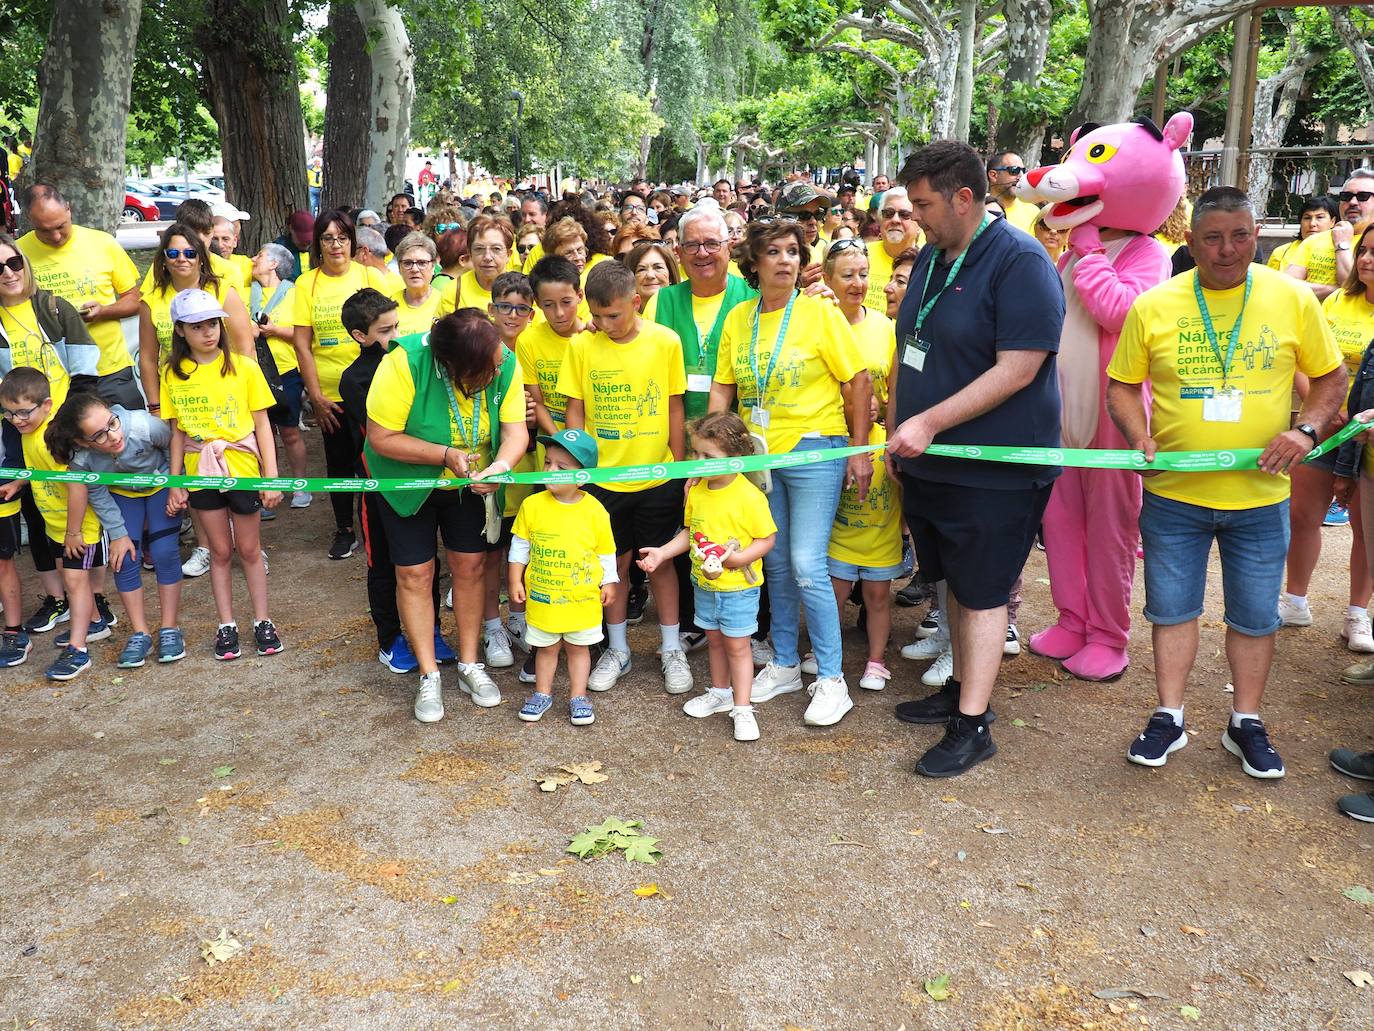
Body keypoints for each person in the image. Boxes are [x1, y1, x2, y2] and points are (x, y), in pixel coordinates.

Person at [1106, 186, 1346, 779]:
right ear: (1191, 241)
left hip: (1261, 496)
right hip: (1173, 494)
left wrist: (1308, 431)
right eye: (1212, 237)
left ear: (1256, 234)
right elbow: (1120, 387)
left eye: (1240, 235)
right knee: (1171, 610)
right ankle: (1169, 716)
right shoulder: (1154, 305)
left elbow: (1331, 378)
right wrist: (1140, 437)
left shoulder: (1291, 299)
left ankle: (1247, 722)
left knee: (1255, 616)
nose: (1228, 249)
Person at [886, 140, 1064, 778]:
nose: (915, 218)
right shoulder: (934, 257)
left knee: (984, 591)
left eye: (925, 204)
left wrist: (927, 422)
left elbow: (1020, 368)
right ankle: (960, 688)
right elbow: (912, 348)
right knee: (952, 584)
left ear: (966, 197)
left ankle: (974, 724)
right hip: (930, 461)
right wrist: (897, 429)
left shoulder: (1021, 261)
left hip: (995, 469)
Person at [1017, 111, 1192, 683]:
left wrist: (1090, 254)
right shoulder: (1067, 253)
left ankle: (1108, 636)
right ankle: (1072, 618)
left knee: (1112, 529)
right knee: (1062, 520)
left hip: (1116, 419)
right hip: (1062, 415)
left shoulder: (1150, 255)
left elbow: (1121, 313)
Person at [710, 218, 873, 727]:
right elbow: (724, 389)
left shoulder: (820, 314)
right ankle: (782, 662)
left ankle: (831, 678)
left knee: (806, 564)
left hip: (814, 449)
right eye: (774, 252)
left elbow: (860, 380)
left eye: (793, 252)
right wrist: (713, 451)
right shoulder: (738, 318)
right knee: (774, 562)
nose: (786, 260)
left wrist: (859, 450)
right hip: (760, 458)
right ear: (753, 263)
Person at [364, 310, 529, 722]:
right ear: (455, 367)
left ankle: (471, 664)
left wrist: (502, 466)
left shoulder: (502, 359)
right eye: (485, 373)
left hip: (470, 479)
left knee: (470, 567)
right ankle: (429, 673)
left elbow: (515, 431)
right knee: (414, 573)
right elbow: (380, 437)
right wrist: (443, 455)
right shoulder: (402, 363)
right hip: (407, 481)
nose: (497, 373)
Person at [557, 260, 691, 695]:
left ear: (636, 302)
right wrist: (579, 468)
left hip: (657, 475)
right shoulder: (581, 346)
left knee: (661, 563)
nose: (603, 323)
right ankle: (617, 649)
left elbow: (674, 405)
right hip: (602, 480)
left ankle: (671, 647)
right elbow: (574, 408)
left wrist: (679, 466)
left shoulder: (665, 342)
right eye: (595, 315)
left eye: (612, 315)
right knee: (612, 567)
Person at [339, 288, 456, 677]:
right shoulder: (354, 379)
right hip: (378, 485)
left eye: (397, 326)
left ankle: (432, 631)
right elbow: (386, 432)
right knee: (384, 564)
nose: (395, 336)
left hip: (421, 478)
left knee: (424, 563)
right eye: (385, 330)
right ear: (361, 336)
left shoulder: (411, 361)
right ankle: (390, 639)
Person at [161, 289, 283, 659]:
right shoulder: (172, 373)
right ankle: (225, 624)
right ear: (181, 331)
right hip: (201, 472)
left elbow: (262, 423)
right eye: (197, 326)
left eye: (212, 323)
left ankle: (263, 620)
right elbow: (177, 431)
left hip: (242, 467)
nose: (208, 332)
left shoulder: (244, 366)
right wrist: (175, 482)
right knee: (218, 550)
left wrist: (271, 476)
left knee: (249, 548)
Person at [640, 412, 776, 741]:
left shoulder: (749, 497)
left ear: (735, 459)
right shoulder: (698, 491)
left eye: (708, 457)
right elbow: (691, 533)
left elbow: (767, 538)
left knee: (739, 648)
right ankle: (720, 693)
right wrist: (662, 552)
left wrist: (740, 558)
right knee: (714, 641)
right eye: (695, 453)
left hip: (738, 590)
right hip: (704, 585)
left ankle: (743, 708)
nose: (698, 462)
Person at [812, 237, 901, 690]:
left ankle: (875, 659)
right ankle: (823, 652)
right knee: (830, 569)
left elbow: (891, 391)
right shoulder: (815, 320)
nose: (857, 283)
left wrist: (883, 413)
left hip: (878, 451)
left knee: (878, 580)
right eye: (846, 275)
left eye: (863, 274)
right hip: (829, 449)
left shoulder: (885, 327)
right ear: (826, 279)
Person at [46, 394, 185, 667]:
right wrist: (118, 534)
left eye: (112, 423)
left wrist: (175, 484)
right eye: (99, 435)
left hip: (161, 486)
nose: (112, 436)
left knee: (164, 551)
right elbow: (96, 492)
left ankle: (170, 628)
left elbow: (173, 447)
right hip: (122, 495)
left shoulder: (144, 426)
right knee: (125, 560)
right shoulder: (82, 458)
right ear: (82, 442)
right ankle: (140, 632)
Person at [291, 209, 395, 560]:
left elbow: (392, 328)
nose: (335, 245)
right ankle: (344, 529)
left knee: (372, 457)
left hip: (373, 389)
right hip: (330, 392)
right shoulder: (307, 284)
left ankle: (380, 522)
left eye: (342, 237)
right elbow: (302, 344)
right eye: (327, 238)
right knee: (337, 463)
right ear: (318, 244)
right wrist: (315, 395)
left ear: (353, 241)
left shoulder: (370, 275)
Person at [0, 367, 109, 681]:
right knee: (70, 579)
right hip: (54, 525)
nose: (16, 420)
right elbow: (37, 471)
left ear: (47, 405)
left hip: (79, 528)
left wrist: (74, 532)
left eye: (23, 412)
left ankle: (78, 650)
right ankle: (95, 623)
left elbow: (77, 485)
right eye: (8, 414)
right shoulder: (28, 435)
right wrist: (18, 484)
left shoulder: (52, 437)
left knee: (75, 584)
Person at [1298, 220, 1374, 651]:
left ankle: (1357, 615)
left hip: (1368, 436)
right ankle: (1294, 600)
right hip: (1326, 425)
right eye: (1363, 250)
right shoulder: (1335, 303)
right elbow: (1305, 360)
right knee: (1303, 514)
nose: (1366, 259)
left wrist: (1358, 419)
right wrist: (1325, 412)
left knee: (1365, 529)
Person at [509, 428, 616, 726]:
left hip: (581, 600)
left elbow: (606, 551)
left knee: (579, 649)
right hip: (544, 598)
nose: (551, 471)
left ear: (582, 476)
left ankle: (578, 696)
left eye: (562, 467)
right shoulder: (532, 505)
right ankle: (542, 693)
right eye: (548, 463)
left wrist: (610, 581)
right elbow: (519, 548)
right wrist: (515, 580)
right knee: (545, 648)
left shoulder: (595, 511)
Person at [17, 184, 143, 409]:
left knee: (132, 438)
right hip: (53, 377)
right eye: (44, 230)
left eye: (60, 226)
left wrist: (103, 311)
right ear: (29, 218)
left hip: (109, 369)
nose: (55, 236)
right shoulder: (17, 255)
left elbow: (135, 299)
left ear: (68, 209)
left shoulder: (102, 243)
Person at [138, 223, 253, 405]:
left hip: (226, 391)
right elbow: (147, 359)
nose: (182, 259)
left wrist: (247, 396)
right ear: (164, 260)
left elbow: (246, 348)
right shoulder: (151, 300)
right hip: (178, 396)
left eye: (190, 253)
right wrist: (155, 407)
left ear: (201, 258)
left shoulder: (223, 291)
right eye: (174, 254)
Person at [247, 243, 309, 507]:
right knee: (259, 434)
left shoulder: (295, 294)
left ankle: (300, 487)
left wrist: (273, 330)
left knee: (290, 432)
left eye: (259, 255)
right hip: (252, 373)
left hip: (285, 372)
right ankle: (265, 489)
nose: (253, 259)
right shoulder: (244, 292)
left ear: (274, 264)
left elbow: (304, 335)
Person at [1285, 169, 1374, 299]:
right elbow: (1287, 285)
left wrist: (1342, 245)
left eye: (1363, 196)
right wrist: (1337, 290)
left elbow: (1355, 289)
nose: (1353, 202)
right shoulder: (1315, 240)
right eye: (1346, 196)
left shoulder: (1370, 245)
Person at [865, 188, 922, 310]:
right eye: (888, 214)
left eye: (905, 215)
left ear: (919, 224)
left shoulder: (926, 264)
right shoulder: (860, 255)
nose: (895, 220)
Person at [389, 231, 444, 336]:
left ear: (433, 267)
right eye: (407, 263)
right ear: (399, 268)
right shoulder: (389, 305)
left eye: (422, 263)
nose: (414, 269)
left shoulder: (444, 302)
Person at [1267, 196, 1337, 272]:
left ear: (1332, 222)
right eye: (1307, 218)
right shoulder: (1281, 253)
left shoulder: (1341, 252)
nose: (1312, 224)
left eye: (1319, 217)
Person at [986, 153, 1037, 233]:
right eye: (1014, 170)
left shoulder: (1034, 212)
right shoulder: (978, 209)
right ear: (993, 175)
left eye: (1023, 171)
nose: (1021, 176)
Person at [626, 240, 679, 312]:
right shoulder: (623, 320)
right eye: (641, 269)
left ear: (671, 276)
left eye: (658, 267)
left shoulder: (684, 313)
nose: (650, 275)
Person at [272, 211, 314, 281]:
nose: (305, 244)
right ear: (291, 228)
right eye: (301, 238)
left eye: (309, 240)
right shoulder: (279, 249)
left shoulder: (318, 247)